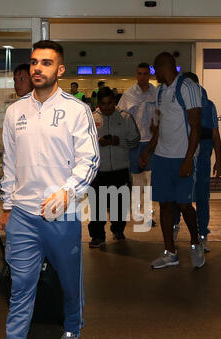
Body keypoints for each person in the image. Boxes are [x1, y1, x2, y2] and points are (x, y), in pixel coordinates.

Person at [0, 39, 99, 339]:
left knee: (68, 281)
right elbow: (9, 163)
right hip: (23, 215)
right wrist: (6, 206)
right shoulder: (15, 112)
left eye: (46, 63)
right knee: (20, 287)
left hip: (61, 216)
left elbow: (89, 159)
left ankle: (72, 331)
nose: (37, 68)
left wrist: (69, 191)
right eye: (34, 62)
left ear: (60, 70)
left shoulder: (77, 111)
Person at [139, 52, 205, 270]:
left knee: (185, 205)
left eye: (154, 70)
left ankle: (196, 243)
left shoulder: (187, 87)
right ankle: (170, 252)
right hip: (162, 158)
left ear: (162, 67)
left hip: (182, 158)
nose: (153, 74)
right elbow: (157, 125)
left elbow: (196, 126)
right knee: (165, 205)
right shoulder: (159, 92)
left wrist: (188, 159)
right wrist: (149, 150)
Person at [0, 64, 34, 284]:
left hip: (38, 188)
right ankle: (9, 274)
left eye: (22, 79)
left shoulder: (42, 108)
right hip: (18, 186)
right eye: (15, 80)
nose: (18, 84)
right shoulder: (13, 111)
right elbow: (9, 156)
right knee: (14, 235)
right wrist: (7, 201)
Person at [173, 72, 221, 253]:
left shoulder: (209, 105)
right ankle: (174, 228)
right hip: (182, 155)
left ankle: (202, 234)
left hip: (202, 158)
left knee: (202, 196)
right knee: (179, 196)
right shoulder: (178, 104)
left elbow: (215, 135)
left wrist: (219, 160)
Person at [88, 87, 140, 247]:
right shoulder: (90, 119)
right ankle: (97, 236)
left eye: (110, 103)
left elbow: (135, 140)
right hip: (98, 171)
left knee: (120, 205)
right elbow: (83, 144)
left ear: (114, 101)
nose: (107, 107)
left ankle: (118, 230)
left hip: (120, 169)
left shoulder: (125, 118)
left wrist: (119, 142)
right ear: (98, 104)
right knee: (97, 206)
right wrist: (98, 142)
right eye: (103, 104)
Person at [118, 63, 156, 226]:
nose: (142, 76)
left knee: (150, 182)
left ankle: (148, 214)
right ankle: (136, 212)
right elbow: (120, 116)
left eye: (145, 74)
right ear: (136, 75)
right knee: (136, 181)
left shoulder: (156, 93)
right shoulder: (129, 94)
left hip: (152, 143)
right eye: (140, 73)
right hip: (134, 143)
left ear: (149, 75)